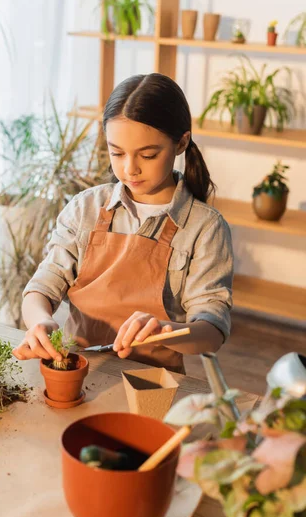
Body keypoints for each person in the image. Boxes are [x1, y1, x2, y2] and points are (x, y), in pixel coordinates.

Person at [12, 73, 233, 374]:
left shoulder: (204, 228)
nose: (130, 169)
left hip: (153, 382)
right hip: (77, 370)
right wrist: (40, 321)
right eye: (117, 153)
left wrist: (164, 331)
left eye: (148, 154)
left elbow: (211, 331)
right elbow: (42, 288)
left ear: (181, 143)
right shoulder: (85, 208)